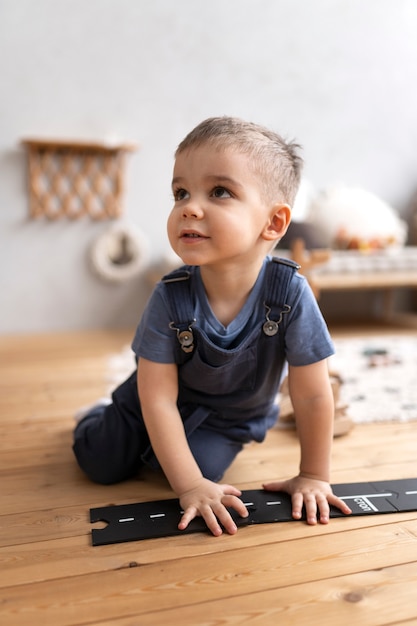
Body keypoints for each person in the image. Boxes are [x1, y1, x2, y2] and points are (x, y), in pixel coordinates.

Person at [73, 116, 352, 536]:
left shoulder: (291, 295)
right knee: (100, 461)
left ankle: (172, 454)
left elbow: (312, 395)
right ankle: (94, 416)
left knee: (201, 470)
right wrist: (189, 488)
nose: (189, 205)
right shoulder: (170, 296)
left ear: (273, 224)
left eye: (219, 191)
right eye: (180, 192)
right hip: (148, 399)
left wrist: (313, 475)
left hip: (230, 419)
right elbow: (158, 400)